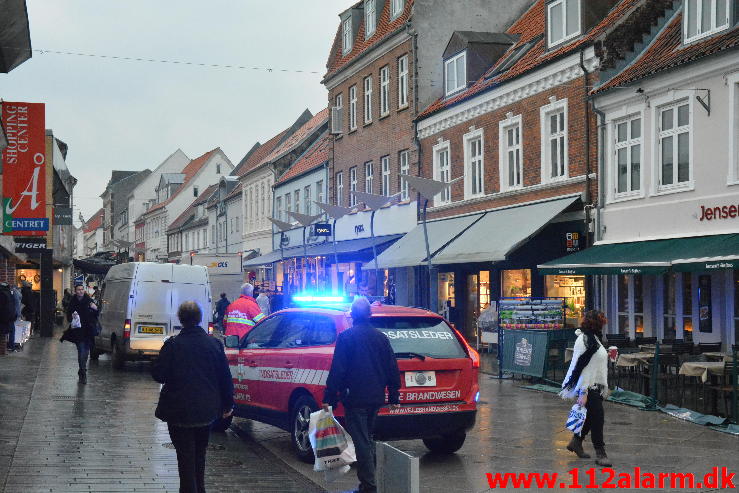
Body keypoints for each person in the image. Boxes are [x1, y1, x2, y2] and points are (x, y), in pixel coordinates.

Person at [151, 301, 234, 493]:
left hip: (179, 410)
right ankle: (199, 488)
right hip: (206, 410)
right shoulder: (214, 344)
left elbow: (159, 375)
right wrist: (228, 403)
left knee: (185, 455)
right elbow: (225, 376)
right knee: (199, 454)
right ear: (199, 318)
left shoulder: (172, 345)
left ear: (181, 319)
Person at [322, 297, 401, 493]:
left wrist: (328, 398)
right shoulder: (380, 338)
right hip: (375, 397)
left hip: (355, 398)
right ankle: (368, 482)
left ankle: (369, 486)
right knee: (367, 438)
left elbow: (338, 370)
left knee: (362, 442)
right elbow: (392, 367)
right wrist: (393, 395)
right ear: (369, 314)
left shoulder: (347, 337)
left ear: (352, 315)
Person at [560, 310, 611, 467]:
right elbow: (580, 366)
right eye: (602, 322)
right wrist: (583, 391)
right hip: (587, 386)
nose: (603, 325)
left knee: (589, 417)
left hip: (594, 384)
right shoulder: (584, 340)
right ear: (596, 323)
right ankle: (600, 452)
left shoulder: (594, 338)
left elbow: (594, 361)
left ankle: (576, 441)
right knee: (598, 418)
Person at [64, 284, 99, 384]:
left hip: (88, 330)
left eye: (82, 289)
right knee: (81, 352)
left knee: (86, 353)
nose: (80, 291)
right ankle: (83, 373)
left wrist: (95, 308)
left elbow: (97, 314)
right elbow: (68, 316)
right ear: (75, 291)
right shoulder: (73, 302)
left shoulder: (89, 301)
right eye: (78, 289)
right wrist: (72, 316)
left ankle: (81, 370)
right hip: (78, 331)